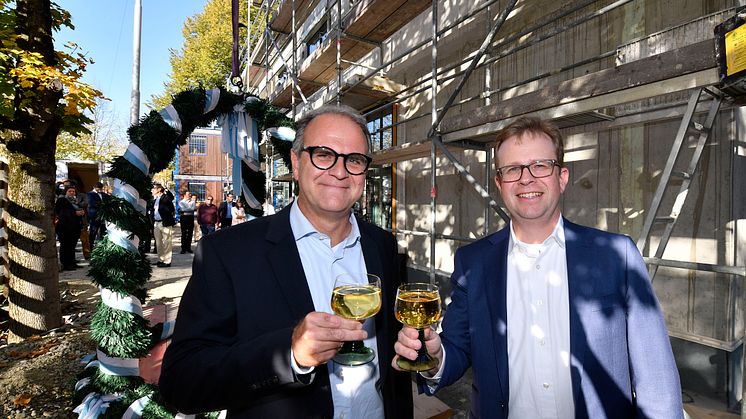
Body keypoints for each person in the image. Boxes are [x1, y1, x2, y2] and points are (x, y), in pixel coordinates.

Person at [393, 116, 683, 418]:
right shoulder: (473, 263)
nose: (526, 178)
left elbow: (656, 381)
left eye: (540, 165)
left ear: (562, 177)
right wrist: (436, 356)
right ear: (499, 183)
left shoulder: (616, 256)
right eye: (512, 169)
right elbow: (456, 351)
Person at [161, 105, 413, 418]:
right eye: (323, 154)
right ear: (295, 163)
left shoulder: (382, 245)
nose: (339, 170)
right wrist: (288, 355)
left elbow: (391, 358)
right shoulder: (227, 253)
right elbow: (181, 382)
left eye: (355, 160)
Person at [55, 184, 84, 271]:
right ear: (66, 192)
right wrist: (75, 213)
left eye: (73, 191)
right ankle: (66, 264)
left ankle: (72, 263)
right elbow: (62, 213)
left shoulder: (74, 201)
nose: (72, 193)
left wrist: (81, 212)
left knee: (72, 246)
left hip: (74, 227)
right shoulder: (62, 200)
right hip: (65, 227)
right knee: (65, 246)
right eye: (70, 191)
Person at [150, 183, 175, 268]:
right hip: (156, 223)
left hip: (165, 223)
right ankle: (161, 259)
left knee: (167, 242)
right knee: (158, 243)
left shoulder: (166, 198)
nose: (151, 190)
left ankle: (167, 261)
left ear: (159, 189)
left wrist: (166, 190)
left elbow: (171, 207)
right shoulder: (154, 199)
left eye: (153, 189)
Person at [87, 181, 107, 248]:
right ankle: (91, 247)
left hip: (103, 216)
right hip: (94, 216)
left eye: (100, 188)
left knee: (103, 232)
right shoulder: (89, 194)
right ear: (94, 187)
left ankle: (101, 246)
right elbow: (92, 203)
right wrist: (103, 205)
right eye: (98, 188)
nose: (99, 190)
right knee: (93, 232)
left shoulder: (103, 194)